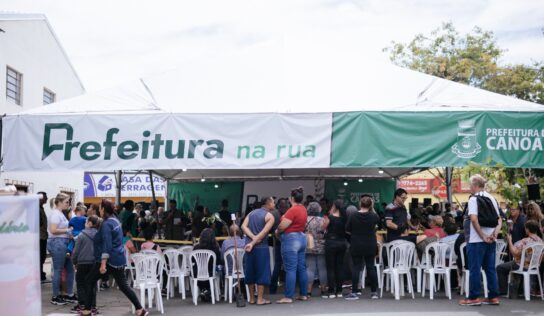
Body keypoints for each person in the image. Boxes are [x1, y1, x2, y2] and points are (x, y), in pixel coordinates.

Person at [80, 199, 148, 316]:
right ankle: (140, 309)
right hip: (118, 258)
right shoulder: (115, 221)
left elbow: (107, 244)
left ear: (103, 210)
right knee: (123, 285)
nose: (100, 210)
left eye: (101, 208)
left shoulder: (107, 224)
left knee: (89, 281)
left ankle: (87, 310)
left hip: (109, 260)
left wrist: (103, 263)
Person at [459, 174, 502, 306]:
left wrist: (482, 235)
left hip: (476, 239)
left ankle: (473, 297)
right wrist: (495, 233)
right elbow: (499, 219)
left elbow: (473, 219)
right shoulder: (492, 198)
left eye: (470, 185)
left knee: (475, 268)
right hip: (491, 239)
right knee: (490, 268)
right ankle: (493, 297)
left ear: (475, 185)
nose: (469, 187)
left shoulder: (473, 199)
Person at [275, 187, 308, 304]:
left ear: (291, 198)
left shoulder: (292, 210)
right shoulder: (303, 208)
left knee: (290, 269)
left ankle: (288, 297)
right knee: (302, 269)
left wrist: (277, 232)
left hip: (291, 239)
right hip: (302, 238)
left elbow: (283, 226)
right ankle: (304, 294)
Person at [345, 196, 380, 300]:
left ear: (360, 204)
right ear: (370, 205)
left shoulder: (353, 215)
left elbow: (347, 230)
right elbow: (378, 223)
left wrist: (356, 233)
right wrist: (371, 208)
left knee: (356, 267)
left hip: (356, 244)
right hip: (370, 244)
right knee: (370, 267)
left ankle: (355, 293)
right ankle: (374, 293)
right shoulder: (374, 216)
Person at [242, 196, 275, 305]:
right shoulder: (270, 216)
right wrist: (254, 241)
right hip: (261, 247)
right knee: (262, 272)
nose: (274, 204)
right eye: (273, 202)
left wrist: (251, 239)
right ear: (268, 203)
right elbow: (264, 233)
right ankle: (260, 299)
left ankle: (251, 299)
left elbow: (243, 226)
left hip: (248, 247)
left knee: (250, 271)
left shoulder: (251, 213)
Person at [47, 193, 77, 305]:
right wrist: (68, 230)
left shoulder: (60, 213)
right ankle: (55, 296)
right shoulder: (55, 214)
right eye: (66, 202)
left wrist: (69, 234)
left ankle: (69, 294)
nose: (68, 204)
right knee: (58, 270)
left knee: (70, 269)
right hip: (57, 243)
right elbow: (53, 230)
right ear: (59, 202)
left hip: (63, 243)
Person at [71, 215, 102, 314]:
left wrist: (74, 261)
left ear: (89, 223)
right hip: (94, 263)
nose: (84, 223)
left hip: (82, 263)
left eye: (86, 221)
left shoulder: (81, 235)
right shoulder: (98, 235)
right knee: (92, 285)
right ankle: (92, 306)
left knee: (80, 284)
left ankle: (82, 304)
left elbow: (76, 251)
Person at [322, 199, 347, 298]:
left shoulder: (330, 217)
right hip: (342, 243)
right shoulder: (345, 218)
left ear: (334, 206)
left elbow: (322, 228)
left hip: (331, 243)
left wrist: (329, 214)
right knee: (339, 267)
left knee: (330, 268)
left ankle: (331, 291)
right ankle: (339, 291)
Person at [304, 201, 327, 297]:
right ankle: (323, 289)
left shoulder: (305, 220)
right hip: (322, 246)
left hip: (309, 245)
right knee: (322, 268)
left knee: (309, 269)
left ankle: (308, 291)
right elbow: (326, 233)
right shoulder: (323, 220)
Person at [192, 228, 222, 302]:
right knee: (218, 272)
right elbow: (218, 261)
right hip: (211, 272)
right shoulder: (215, 248)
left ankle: (204, 290)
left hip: (197, 273)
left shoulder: (196, 248)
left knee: (195, 273)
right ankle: (207, 290)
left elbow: (192, 260)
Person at [270, 198, 288, 294]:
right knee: (290, 266)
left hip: (277, 241)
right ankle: (289, 289)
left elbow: (268, 228)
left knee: (277, 265)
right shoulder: (289, 213)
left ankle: (273, 289)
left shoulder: (274, 214)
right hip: (289, 241)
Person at [38, 191, 49, 282]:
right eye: (45, 197)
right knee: (40, 257)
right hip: (39, 238)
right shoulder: (37, 209)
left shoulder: (40, 208)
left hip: (43, 236)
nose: (47, 199)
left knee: (42, 256)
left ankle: (41, 273)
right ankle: (39, 275)